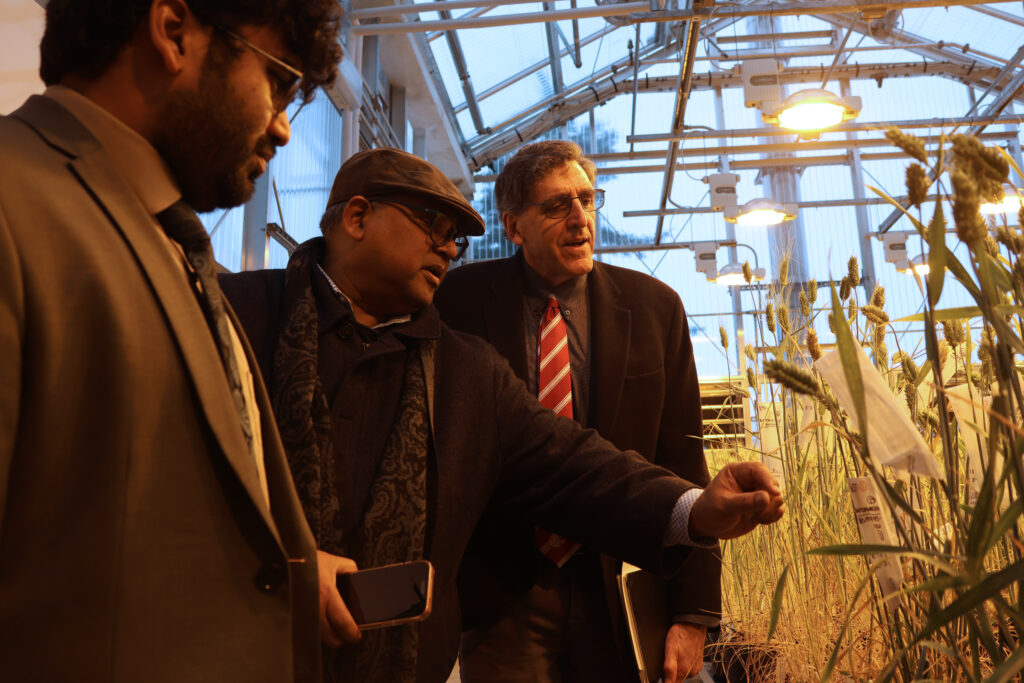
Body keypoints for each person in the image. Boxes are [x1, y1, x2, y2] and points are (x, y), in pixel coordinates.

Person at [219, 147, 784, 683]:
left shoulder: (466, 370)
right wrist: (282, 559)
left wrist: (695, 509)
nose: (449, 248)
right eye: (431, 226)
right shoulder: (234, 318)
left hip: (411, 657)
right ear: (359, 217)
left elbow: (576, 466)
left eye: (457, 239)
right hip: (238, 639)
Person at [0, 1, 341, 680]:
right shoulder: (16, 204)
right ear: (173, 32)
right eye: (278, 81)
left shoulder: (171, 241)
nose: (281, 128)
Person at [434, 140, 717, 683]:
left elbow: (684, 460)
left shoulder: (655, 309)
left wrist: (693, 613)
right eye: (558, 205)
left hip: (626, 586)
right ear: (513, 226)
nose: (581, 219)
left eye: (588, 201)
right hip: (502, 595)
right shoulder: (458, 303)